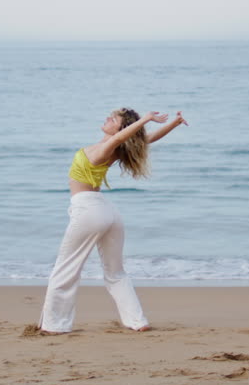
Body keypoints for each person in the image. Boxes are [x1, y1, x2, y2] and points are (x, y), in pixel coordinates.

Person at [37, 108, 189, 334]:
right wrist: (174, 124)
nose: (108, 118)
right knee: (116, 272)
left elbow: (124, 138)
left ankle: (54, 325)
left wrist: (146, 119)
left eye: (114, 119)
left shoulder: (107, 148)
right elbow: (147, 139)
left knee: (65, 269)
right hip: (107, 212)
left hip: (88, 210)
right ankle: (137, 321)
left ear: (121, 129)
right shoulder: (115, 149)